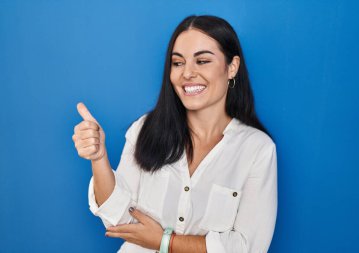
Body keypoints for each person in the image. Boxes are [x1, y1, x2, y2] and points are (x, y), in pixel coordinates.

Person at [72, 15, 277, 253]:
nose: (187, 73)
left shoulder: (257, 149)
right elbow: (117, 220)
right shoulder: (145, 129)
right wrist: (98, 158)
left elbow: (247, 247)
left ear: (232, 67)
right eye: (178, 63)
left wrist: (164, 241)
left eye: (202, 61)